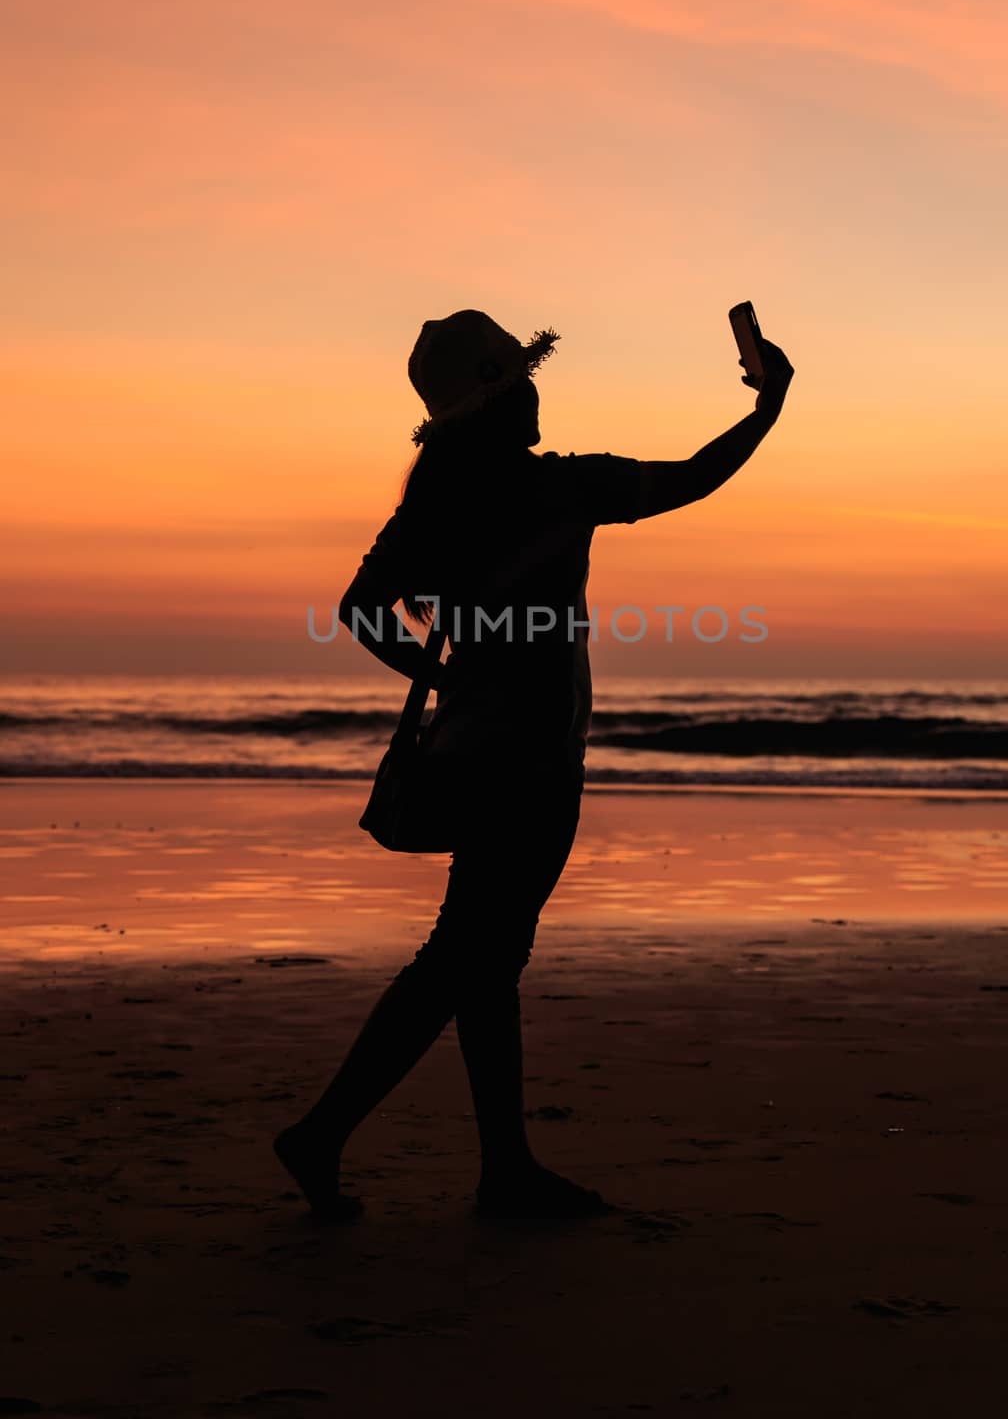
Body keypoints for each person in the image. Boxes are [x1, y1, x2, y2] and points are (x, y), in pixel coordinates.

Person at [274, 308, 794, 1226]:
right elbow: (692, 479)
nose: (535, 390)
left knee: (481, 957)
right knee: (466, 957)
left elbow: (359, 608)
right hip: (531, 764)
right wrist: (767, 407)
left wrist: (438, 672)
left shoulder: (431, 505)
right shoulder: (557, 489)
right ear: (500, 397)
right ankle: (329, 1134)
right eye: (520, 379)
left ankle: (500, 1167)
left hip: (472, 750)